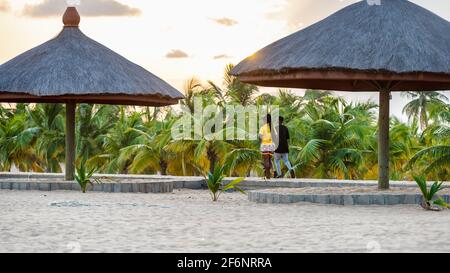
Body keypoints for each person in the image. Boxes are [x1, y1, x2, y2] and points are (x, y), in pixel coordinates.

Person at [259, 114, 275, 179]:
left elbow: (260, 136)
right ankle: (268, 174)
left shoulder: (263, 127)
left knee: (266, 160)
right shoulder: (272, 128)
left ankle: (267, 175)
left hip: (265, 144)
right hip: (271, 145)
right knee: (269, 159)